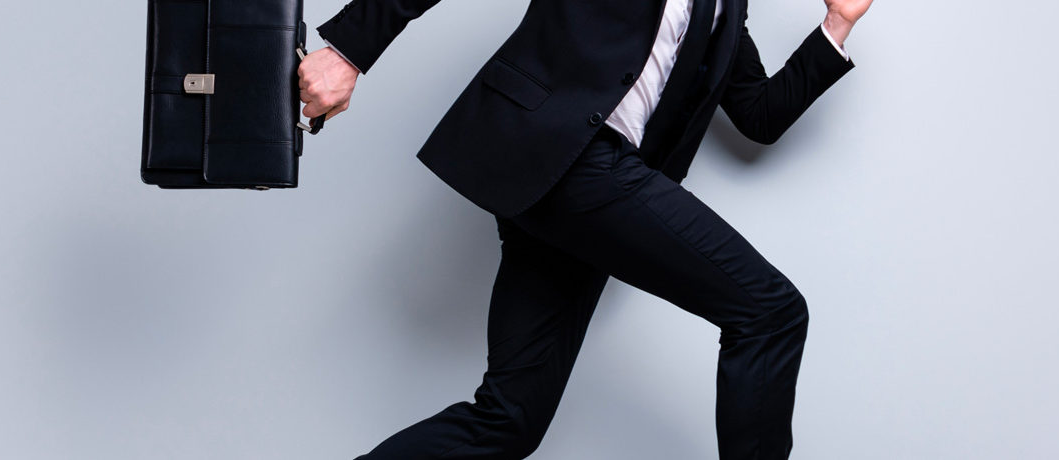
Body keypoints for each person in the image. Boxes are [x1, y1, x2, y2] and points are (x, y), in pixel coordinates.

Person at [298, 0, 873, 458]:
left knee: (510, 420)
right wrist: (349, 51)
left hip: (589, 187)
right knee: (770, 311)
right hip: (558, 151)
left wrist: (837, 24)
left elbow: (759, 114)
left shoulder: (723, 7)